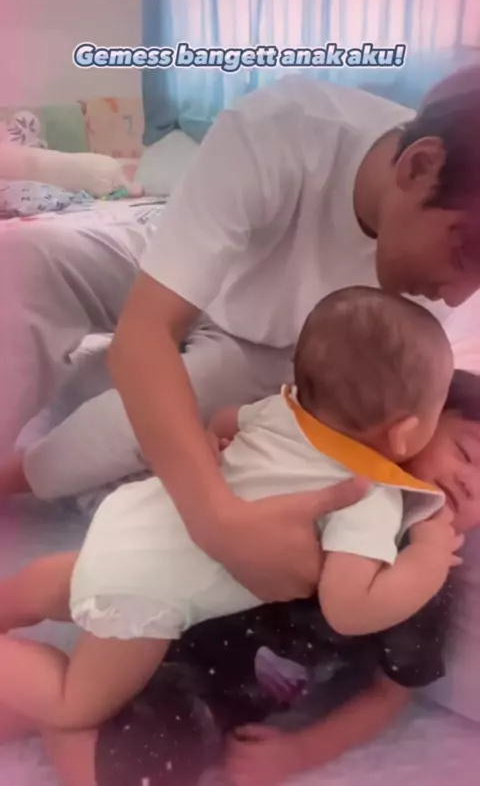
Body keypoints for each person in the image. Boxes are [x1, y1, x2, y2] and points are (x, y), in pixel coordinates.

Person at [2, 67, 480, 600]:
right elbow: (148, 330)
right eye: (465, 254)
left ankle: (19, 473)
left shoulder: (423, 291)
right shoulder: (286, 129)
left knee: (145, 419)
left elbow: (398, 414)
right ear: (419, 166)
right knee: (22, 260)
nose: (459, 297)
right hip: (173, 263)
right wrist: (215, 520)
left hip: (277, 349)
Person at [0, 286, 461, 733]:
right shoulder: (369, 495)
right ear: (404, 432)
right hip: (151, 591)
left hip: (138, 517)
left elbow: (222, 421)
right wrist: (429, 557)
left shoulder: (283, 409)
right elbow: (349, 609)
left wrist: (220, 444)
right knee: (74, 703)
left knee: (64, 581)